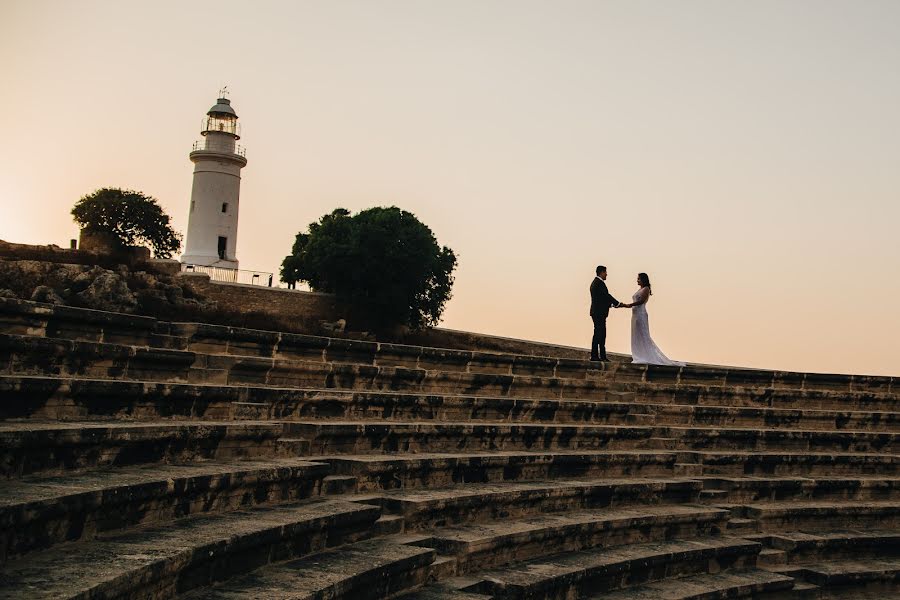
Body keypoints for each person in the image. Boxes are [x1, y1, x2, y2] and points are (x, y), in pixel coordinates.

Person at [621, 272, 684, 366]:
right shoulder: (640, 289)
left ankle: (645, 355)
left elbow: (642, 301)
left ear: (643, 279)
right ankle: (638, 353)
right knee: (636, 334)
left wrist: (630, 305)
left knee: (643, 334)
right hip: (635, 315)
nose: (637, 280)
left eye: (638, 278)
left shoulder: (646, 289)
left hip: (641, 314)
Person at [589, 265, 623, 362]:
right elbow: (606, 296)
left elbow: (602, 299)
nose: (606, 274)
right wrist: (618, 303)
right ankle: (597, 356)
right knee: (600, 334)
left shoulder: (596, 283)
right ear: (601, 272)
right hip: (599, 313)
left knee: (599, 333)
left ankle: (598, 356)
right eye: (605, 272)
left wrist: (613, 304)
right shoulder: (599, 283)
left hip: (596, 312)